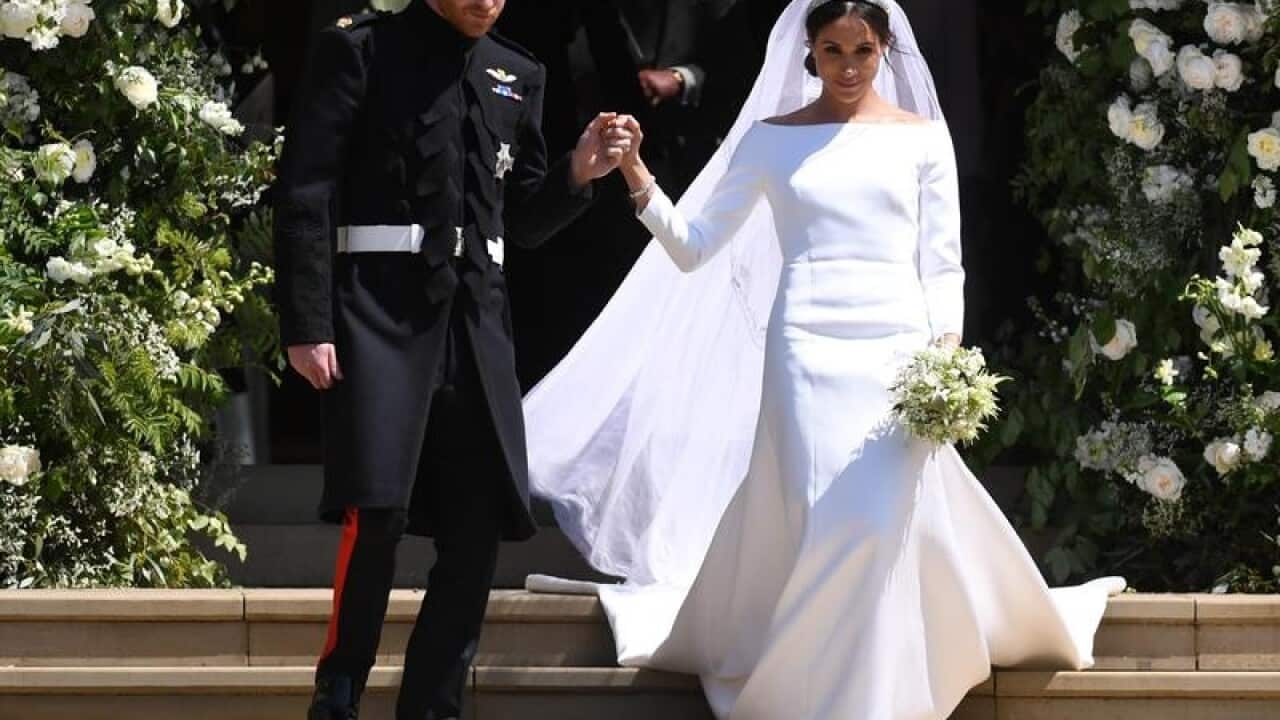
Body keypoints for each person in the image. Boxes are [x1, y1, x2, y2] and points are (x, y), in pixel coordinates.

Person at [522, 1, 1124, 718]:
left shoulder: (923, 139)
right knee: (818, 513)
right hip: (804, 349)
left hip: (900, 354)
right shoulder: (771, 140)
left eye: (862, 51)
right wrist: (635, 173)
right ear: (809, 51)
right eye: (833, 51)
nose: (847, 67)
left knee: (877, 519)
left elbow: (942, 265)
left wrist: (946, 356)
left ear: (885, 49)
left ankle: (875, 689)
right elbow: (693, 247)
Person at [271, 0, 632, 717]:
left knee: (476, 525)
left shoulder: (517, 71)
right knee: (377, 509)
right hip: (378, 311)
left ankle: (433, 705)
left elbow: (523, 219)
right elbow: (306, 191)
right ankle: (339, 689)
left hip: (477, 322)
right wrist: (308, 322)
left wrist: (578, 172)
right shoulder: (361, 51)